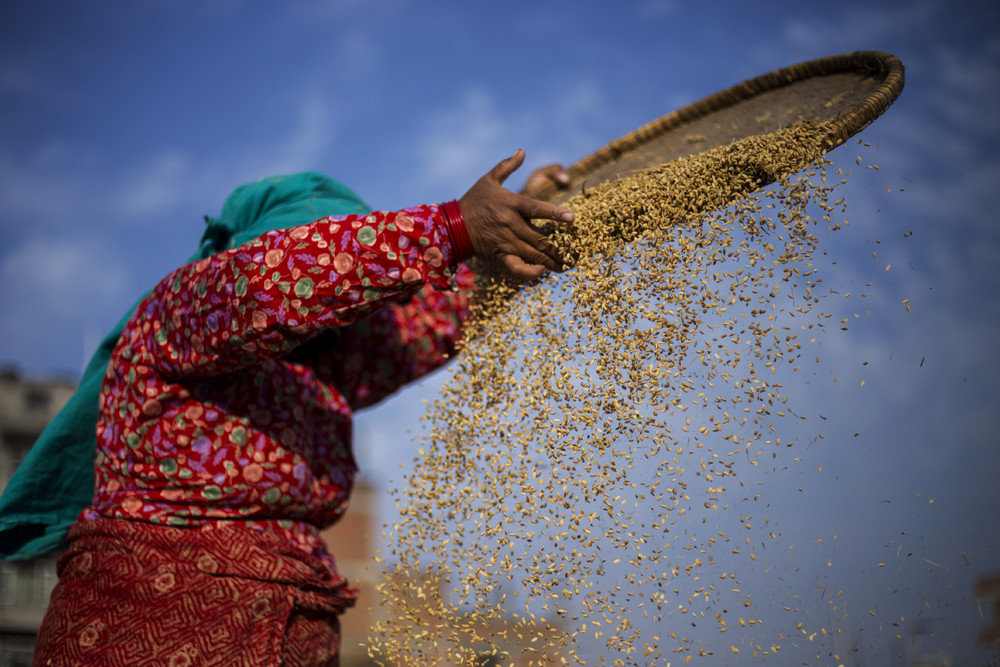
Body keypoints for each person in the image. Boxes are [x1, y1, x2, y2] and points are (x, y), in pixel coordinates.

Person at [29, 149, 573, 666]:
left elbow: (426, 321)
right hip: (150, 624)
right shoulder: (186, 309)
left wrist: (512, 230)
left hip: (289, 626)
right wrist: (451, 228)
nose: (347, 308)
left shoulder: (325, 364)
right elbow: (279, 282)